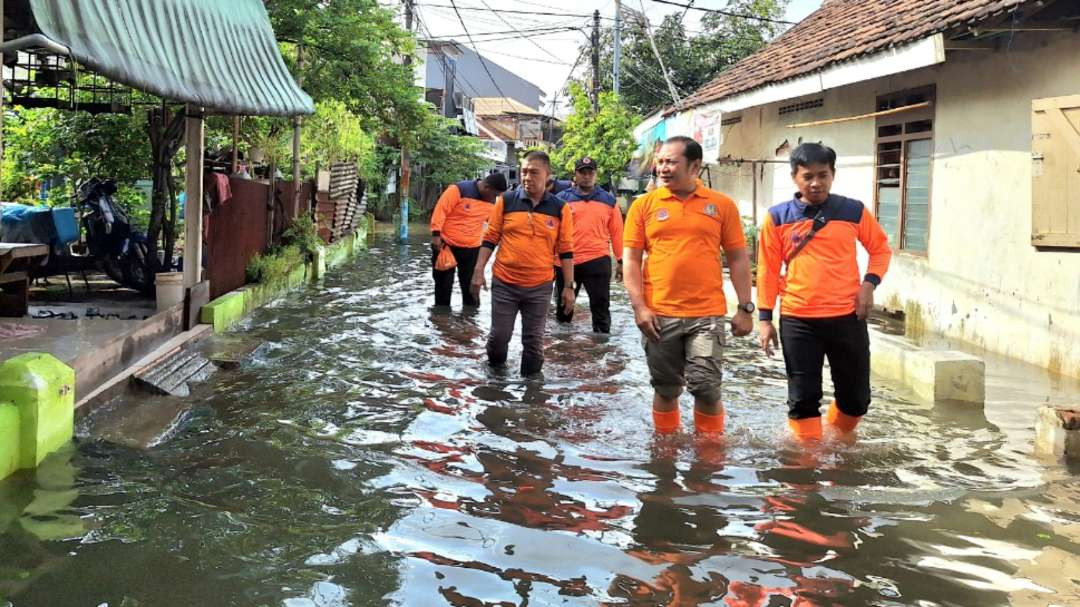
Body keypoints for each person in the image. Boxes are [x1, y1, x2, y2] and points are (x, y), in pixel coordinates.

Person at [757, 142, 892, 439]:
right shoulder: (777, 217)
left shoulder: (852, 210)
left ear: (833, 175)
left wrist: (869, 284)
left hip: (847, 317)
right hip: (798, 319)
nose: (816, 183)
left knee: (857, 400)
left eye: (823, 175)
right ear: (794, 176)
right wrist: (765, 319)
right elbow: (767, 270)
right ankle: (806, 465)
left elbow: (880, 250)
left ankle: (836, 437)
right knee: (804, 399)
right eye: (808, 176)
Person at [623, 136, 754, 435]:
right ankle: (665, 451)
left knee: (706, 388)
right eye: (660, 162)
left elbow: (737, 259)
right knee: (666, 389)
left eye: (671, 162)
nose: (662, 168)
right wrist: (639, 307)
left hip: (706, 314)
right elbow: (630, 259)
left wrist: (745, 307)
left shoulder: (721, 205)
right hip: (658, 315)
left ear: (695, 166)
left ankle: (708, 458)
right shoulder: (644, 206)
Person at [471, 150, 575, 376]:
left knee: (534, 345)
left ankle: (532, 399)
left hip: (540, 287)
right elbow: (490, 238)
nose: (527, 177)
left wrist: (568, 287)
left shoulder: (560, 208)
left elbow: (566, 250)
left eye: (534, 172)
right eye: (524, 172)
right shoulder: (506, 201)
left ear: (548, 175)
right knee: (499, 338)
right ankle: (495, 385)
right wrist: (478, 271)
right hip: (505, 283)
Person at [553, 157, 624, 333]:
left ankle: (601, 352)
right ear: (575, 175)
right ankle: (562, 351)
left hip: (597, 261)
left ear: (596, 174)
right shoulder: (561, 200)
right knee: (563, 312)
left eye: (590, 172)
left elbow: (617, 233)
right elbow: (552, 232)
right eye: (582, 172)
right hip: (567, 263)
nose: (586, 176)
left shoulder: (608, 201)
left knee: (601, 311)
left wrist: (621, 261)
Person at [429, 173, 508, 307]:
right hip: (446, 246)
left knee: (472, 291)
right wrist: (436, 235)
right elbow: (440, 210)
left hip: (472, 249)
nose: (496, 198)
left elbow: (495, 225)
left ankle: (470, 322)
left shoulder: (494, 202)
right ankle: (441, 322)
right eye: (495, 194)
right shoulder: (459, 190)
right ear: (486, 187)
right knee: (443, 288)